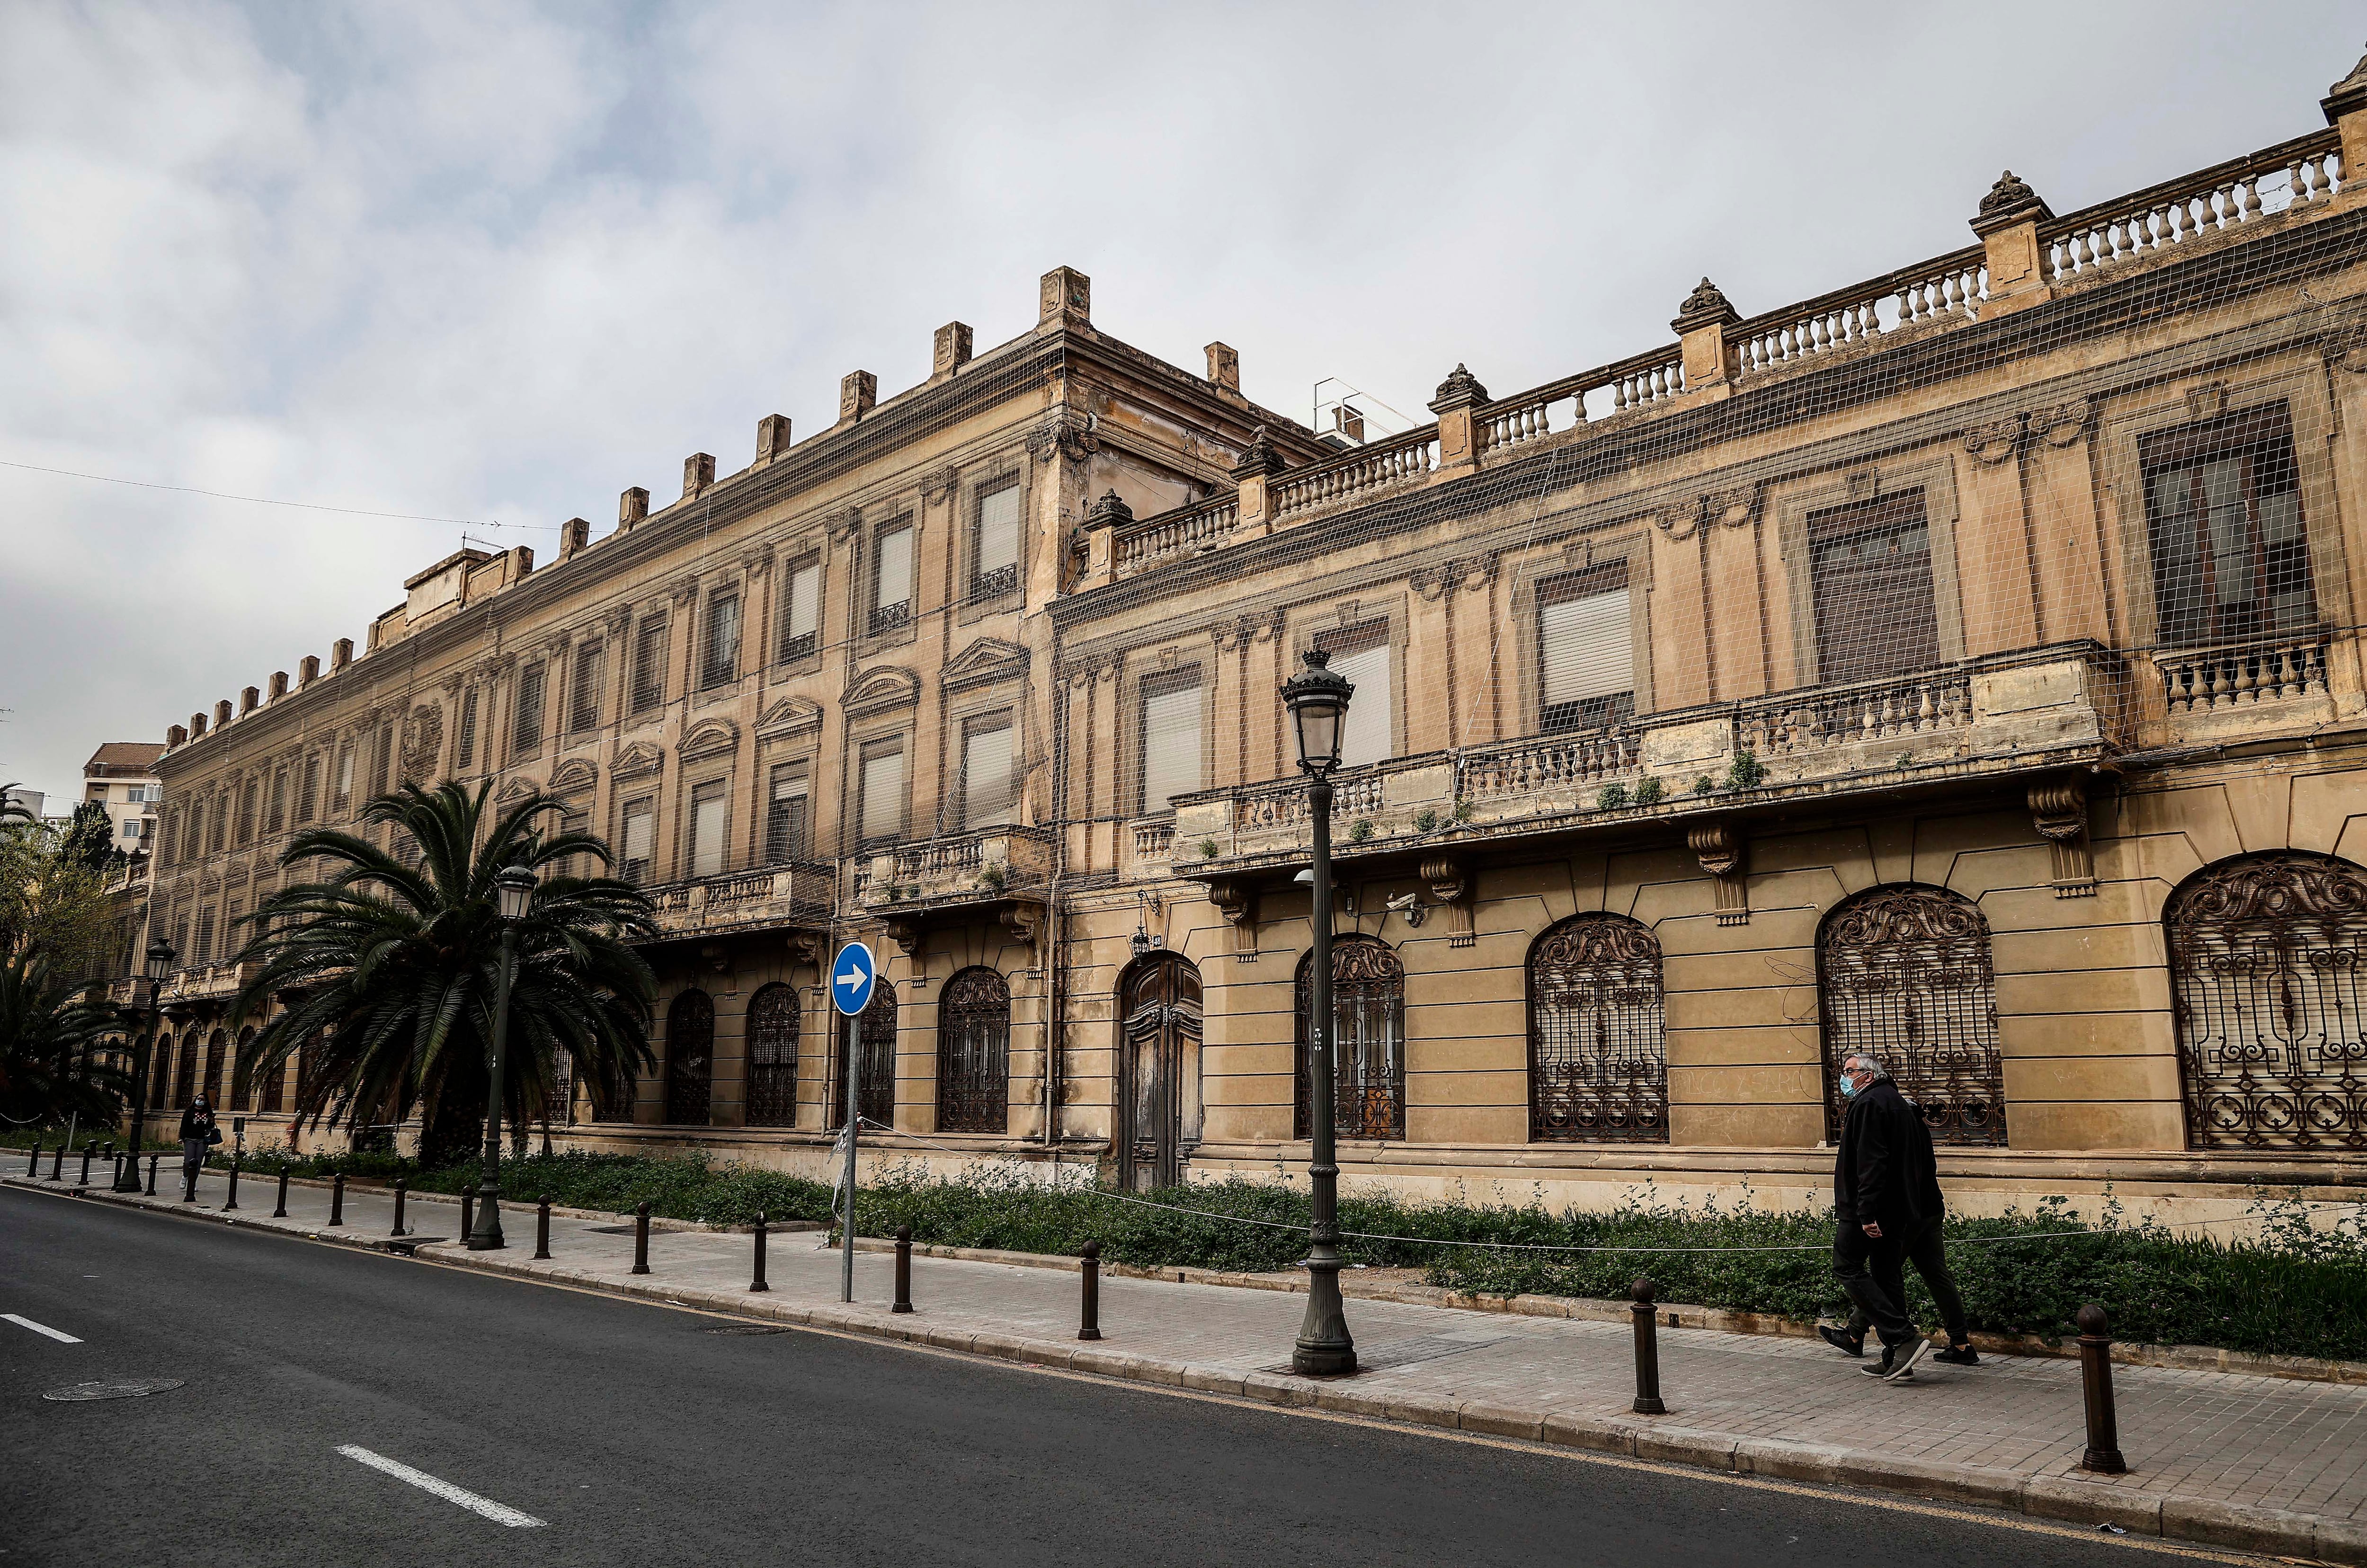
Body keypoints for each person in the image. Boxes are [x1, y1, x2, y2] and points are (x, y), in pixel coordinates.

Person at [1821, 1053, 1975, 1382]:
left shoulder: (1870, 1104)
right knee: (1888, 1274)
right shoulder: (1899, 1104)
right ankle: (1897, 1356)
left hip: (1876, 1209)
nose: (1843, 1078)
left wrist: (1866, 1211)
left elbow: (1871, 1163)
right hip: (1908, 1208)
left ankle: (1903, 1337)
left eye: (1849, 1071)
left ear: (1868, 1073)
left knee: (1846, 1265)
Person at [177, 1093, 219, 1202]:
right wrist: (181, 1137)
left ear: (206, 1102)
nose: (200, 1101)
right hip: (190, 1138)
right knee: (188, 1161)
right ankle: (185, 1177)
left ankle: (192, 1183)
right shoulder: (189, 1112)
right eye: (199, 1099)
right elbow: (184, 1125)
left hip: (203, 1140)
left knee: (198, 1162)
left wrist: (211, 1121)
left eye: (202, 1100)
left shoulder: (208, 1112)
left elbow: (210, 1128)